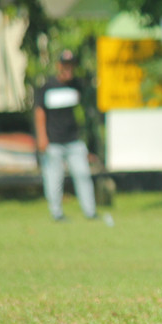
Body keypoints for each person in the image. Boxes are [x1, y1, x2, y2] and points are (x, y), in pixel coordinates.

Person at [33, 50, 97, 221]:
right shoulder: (48, 86)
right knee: (54, 178)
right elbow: (39, 112)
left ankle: (90, 212)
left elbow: (87, 110)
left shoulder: (77, 85)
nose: (69, 69)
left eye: (71, 66)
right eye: (65, 65)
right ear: (59, 66)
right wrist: (42, 137)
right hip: (53, 141)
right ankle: (57, 213)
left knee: (83, 175)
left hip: (74, 141)